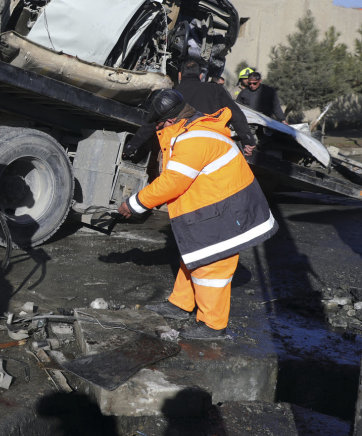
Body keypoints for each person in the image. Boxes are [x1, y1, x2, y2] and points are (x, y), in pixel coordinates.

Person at [117, 89, 278, 340]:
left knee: (212, 266)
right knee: (196, 255)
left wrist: (135, 203)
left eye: (159, 123)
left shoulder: (194, 139)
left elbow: (173, 182)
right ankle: (181, 304)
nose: (157, 128)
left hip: (225, 210)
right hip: (216, 204)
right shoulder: (191, 131)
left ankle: (212, 325)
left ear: (170, 121)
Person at [124, 60, 256, 160]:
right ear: (200, 76)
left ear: (180, 75)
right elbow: (237, 115)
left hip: (181, 152)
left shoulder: (174, 94)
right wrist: (248, 141)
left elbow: (151, 123)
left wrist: (131, 146)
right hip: (211, 150)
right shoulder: (215, 90)